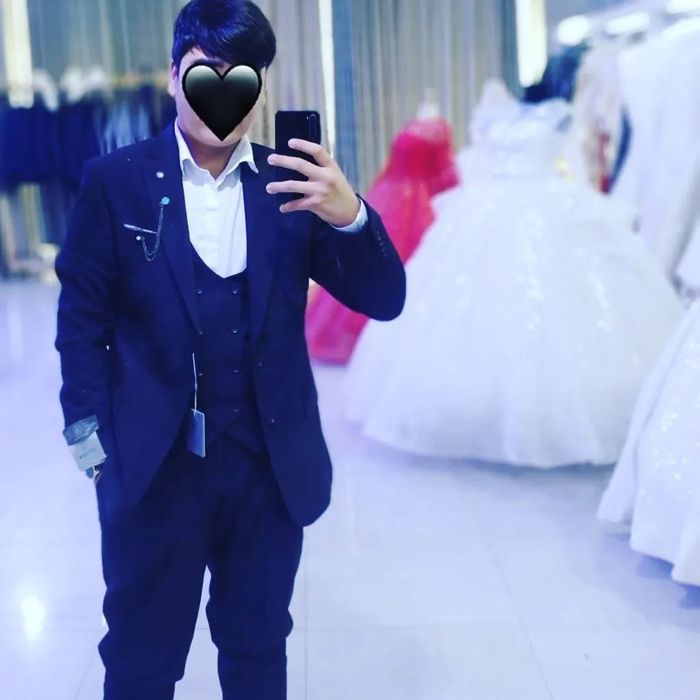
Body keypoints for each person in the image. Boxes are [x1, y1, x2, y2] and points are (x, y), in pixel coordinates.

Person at [53, 1, 406, 698]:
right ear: (172, 76)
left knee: (257, 648)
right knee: (141, 658)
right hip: (152, 471)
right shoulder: (115, 181)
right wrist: (93, 453)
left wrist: (350, 215)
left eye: (242, 75)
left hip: (266, 469)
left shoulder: (290, 185)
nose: (223, 92)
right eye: (205, 71)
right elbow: (80, 325)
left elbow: (385, 298)